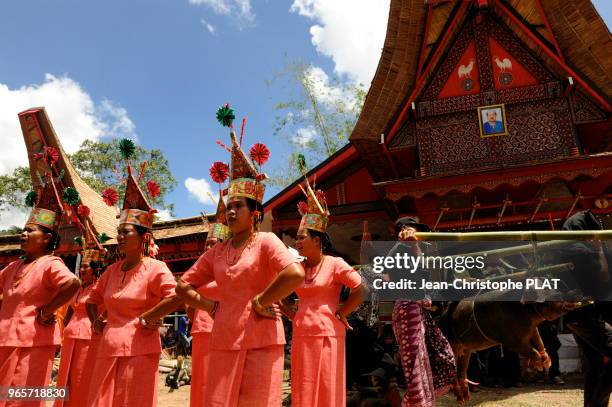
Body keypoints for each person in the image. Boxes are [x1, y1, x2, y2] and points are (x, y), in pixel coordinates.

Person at [176, 105, 304, 407]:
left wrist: (261, 301)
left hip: (262, 339)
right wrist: (209, 306)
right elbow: (184, 285)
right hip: (223, 337)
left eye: (239, 206)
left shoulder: (268, 241)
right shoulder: (217, 252)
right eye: (229, 206)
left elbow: (295, 274)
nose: (231, 211)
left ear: (254, 212)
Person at [85, 141, 182, 407]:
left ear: (143, 238)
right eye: (119, 232)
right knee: (101, 400)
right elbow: (92, 300)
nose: (120, 237)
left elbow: (176, 297)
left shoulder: (156, 268)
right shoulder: (111, 270)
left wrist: (151, 316)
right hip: (109, 345)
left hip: (141, 346)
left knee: (134, 400)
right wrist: (96, 321)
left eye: (126, 232)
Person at [284, 181, 368, 406]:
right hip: (301, 335)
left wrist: (343, 312)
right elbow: (283, 295)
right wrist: (287, 311)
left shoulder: (335, 263)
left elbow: (362, 288)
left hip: (328, 334)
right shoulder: (296, 269)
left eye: (302, 237)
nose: (297, 241)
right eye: (297, 237)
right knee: (302, 386)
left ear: (317, 240)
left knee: (327, 385)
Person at [0, 196, 81, 407]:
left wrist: (46, 312)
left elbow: (72, 283)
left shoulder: (50, 263)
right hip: (5, 338)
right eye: (24, 230)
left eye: (30, 230)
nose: (23, 234)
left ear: (46, 238)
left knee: (22, 397)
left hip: (34, 341)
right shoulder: (13, 267)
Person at [390, 217, 456, 407]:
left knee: (441, 356)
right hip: (407, 311)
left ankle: (422, 402)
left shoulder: (418, 250)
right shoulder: (399, 249)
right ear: (403, 230)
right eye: (414, 229)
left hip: (419, 312)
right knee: (415, 366)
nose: (417, 234)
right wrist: (405, 244)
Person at [562, 210, 612, 407]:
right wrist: (598, 249)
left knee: (595, 364)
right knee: (595, 364)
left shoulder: (572, 245)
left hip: (581, 314)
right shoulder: (583, 249)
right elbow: (603, 275)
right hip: (585, 314)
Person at [189, 187, 230, 407]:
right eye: (206, 243)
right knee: (202, 379)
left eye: (213, 244)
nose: (208, 247)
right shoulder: (199, 270)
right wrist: (194, 312)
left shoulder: (229, 267)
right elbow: (185, 292)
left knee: (222, 379)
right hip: (202, 329)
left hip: (225, 327)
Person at [55, 249, 105, 407]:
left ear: (95, 269)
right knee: (66, 375)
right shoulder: (77, 288)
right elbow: (69, 310)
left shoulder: (100, 289)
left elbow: (105, 312)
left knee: (82, 375)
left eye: (86, 267)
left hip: (89, 337)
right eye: (81, 267)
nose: (82, 270)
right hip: (70, 337)